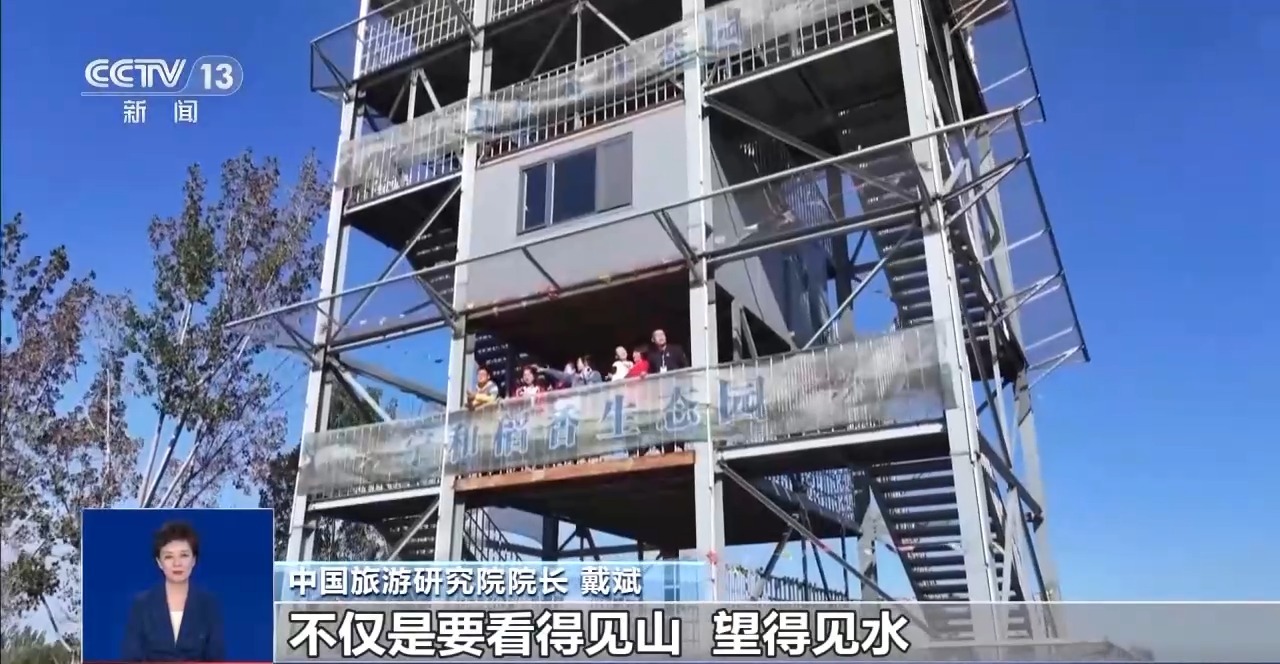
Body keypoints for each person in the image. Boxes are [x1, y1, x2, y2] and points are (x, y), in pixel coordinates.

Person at [121, 521, 225, 662]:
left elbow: (216, 658)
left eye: (184, 555)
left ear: (194, 560)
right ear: (159, 562)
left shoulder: (208, 605)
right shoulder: (142, 605)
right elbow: (131, 657)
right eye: (169, 556)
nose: (177, 563)